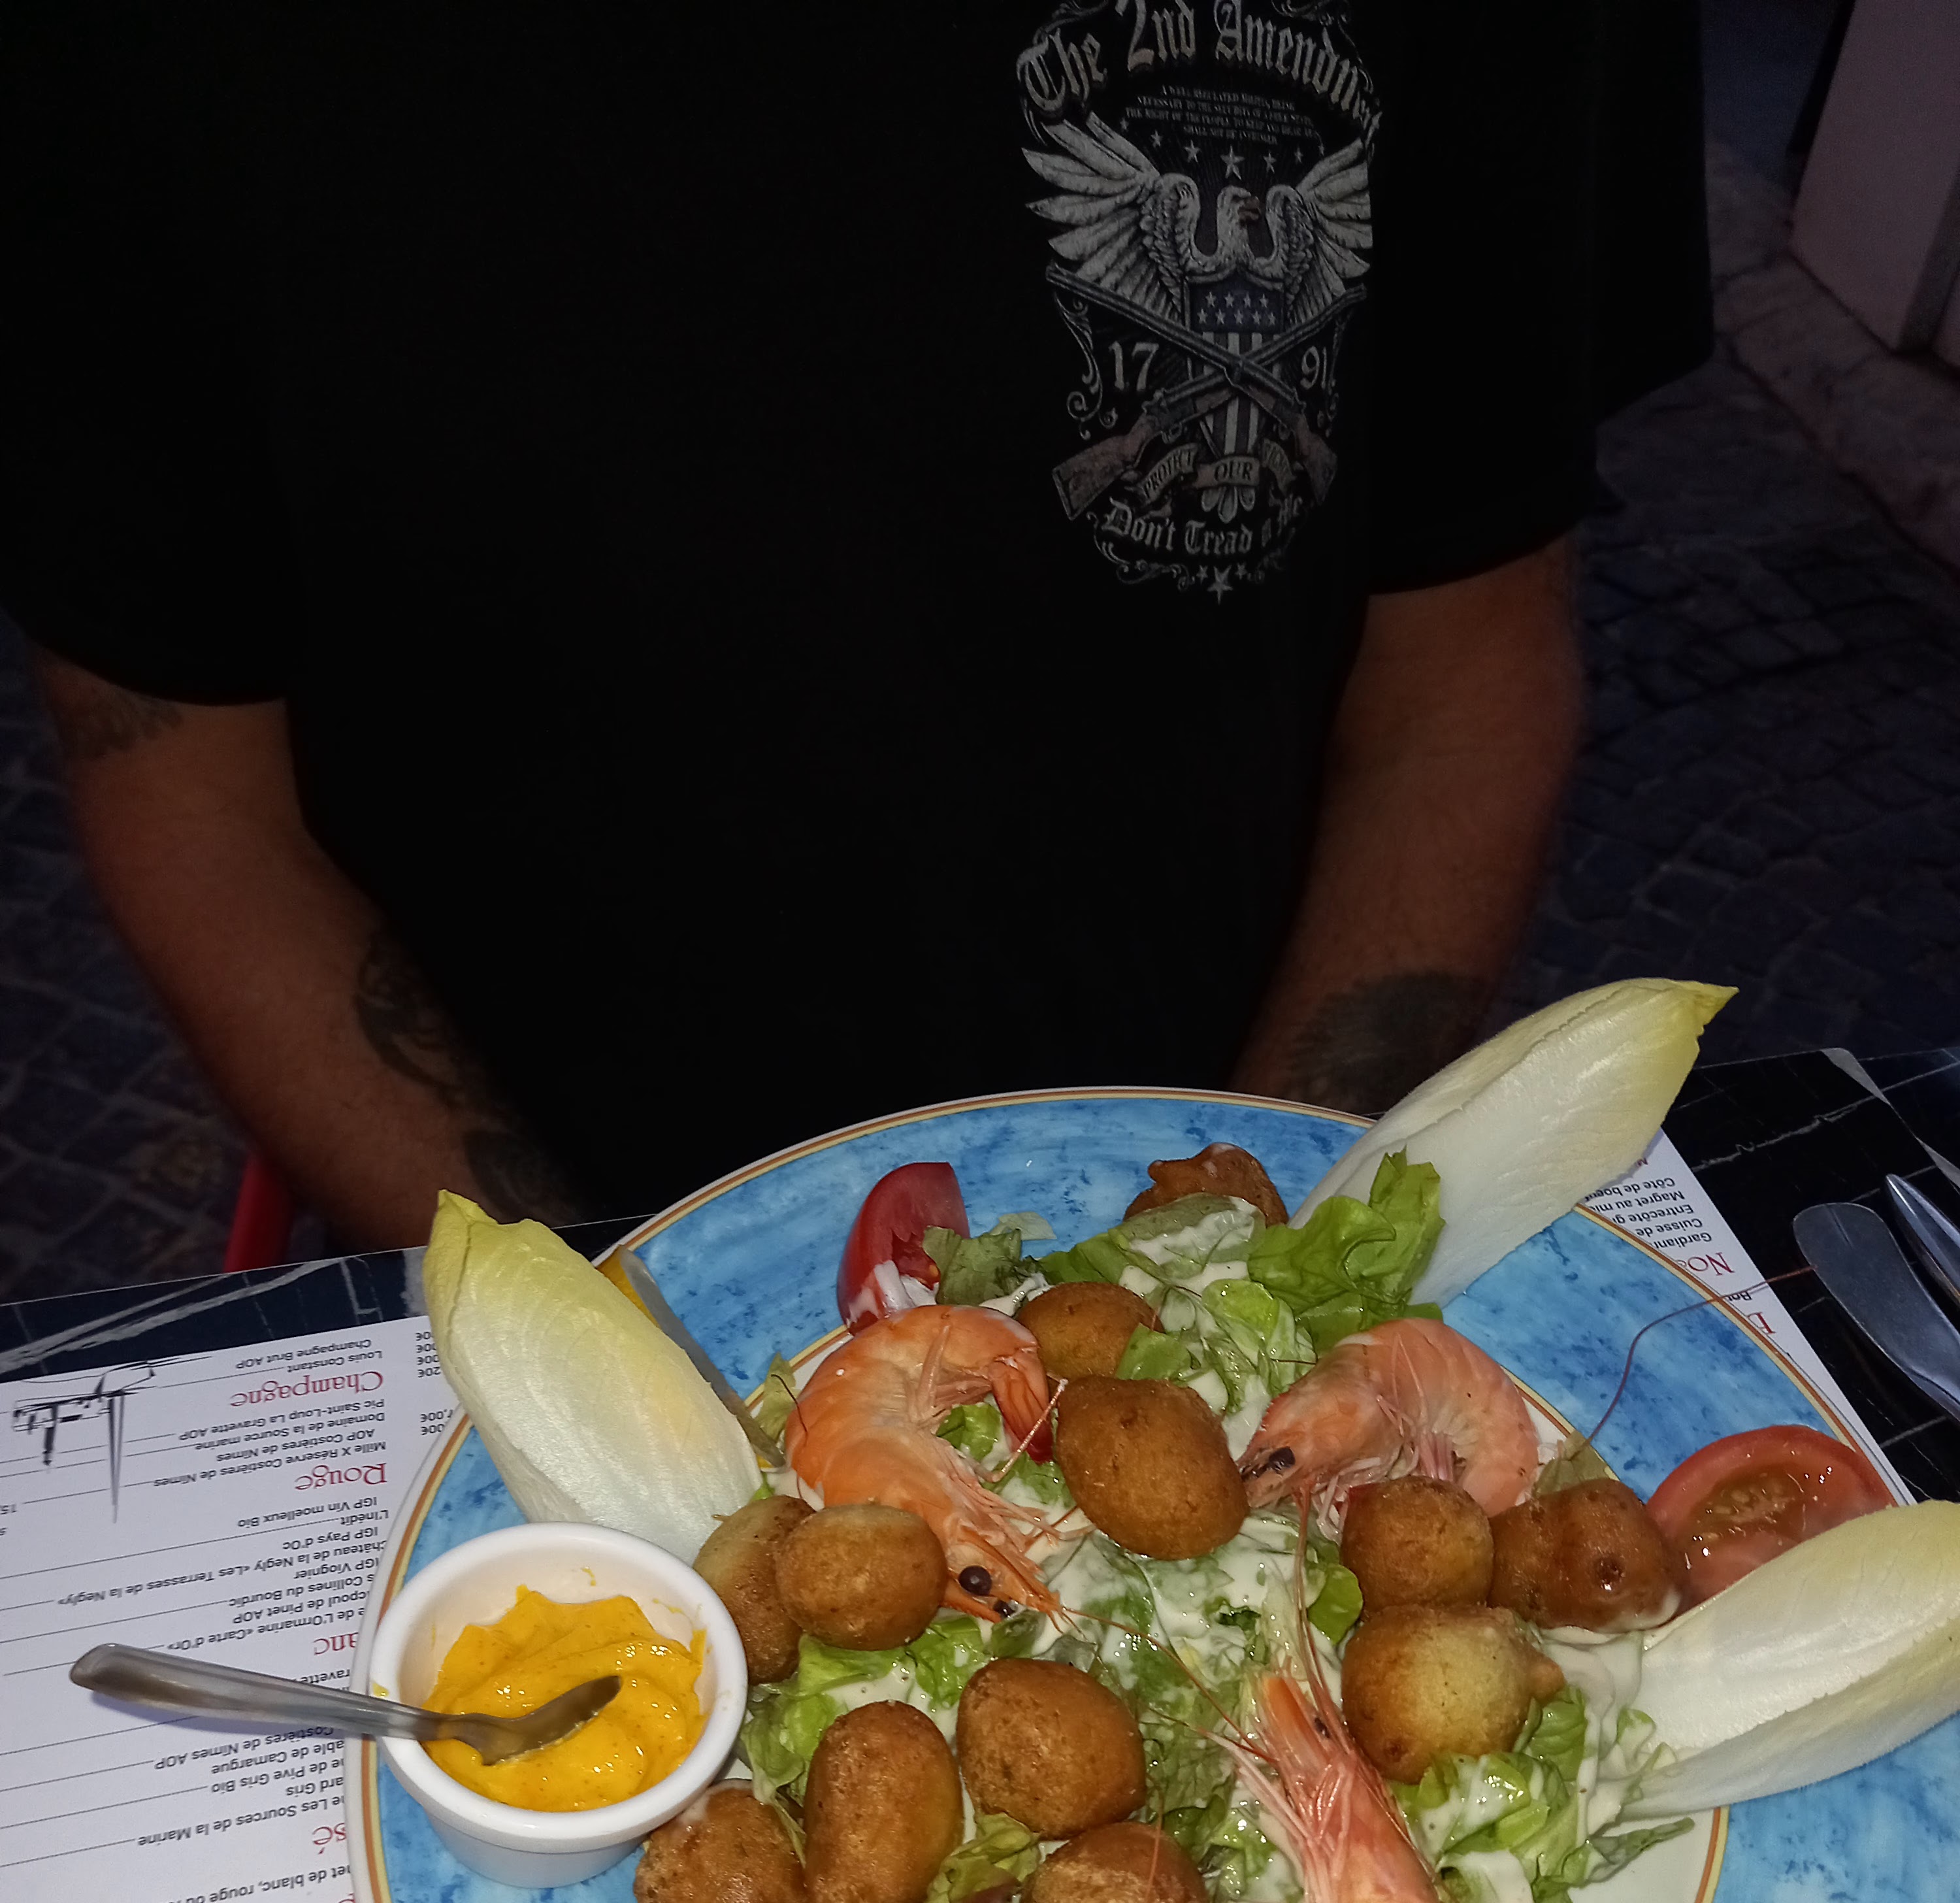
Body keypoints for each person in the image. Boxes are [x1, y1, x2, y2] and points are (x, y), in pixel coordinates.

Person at [0, 3, 1708, 1248]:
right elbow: (177, 766)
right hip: (487, 1205)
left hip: (1231, 1151)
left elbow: (1462, 667)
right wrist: (607, 1336)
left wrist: (1229, 1264)